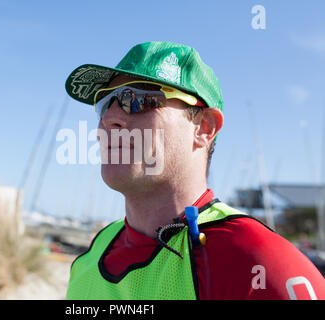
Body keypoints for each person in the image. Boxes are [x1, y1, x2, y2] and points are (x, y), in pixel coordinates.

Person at [64, 42, 325, 299]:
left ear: (204, 128)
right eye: (105, 102)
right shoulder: (91, 257)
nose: (109, 119)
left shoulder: (257, 263)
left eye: (138, 99)